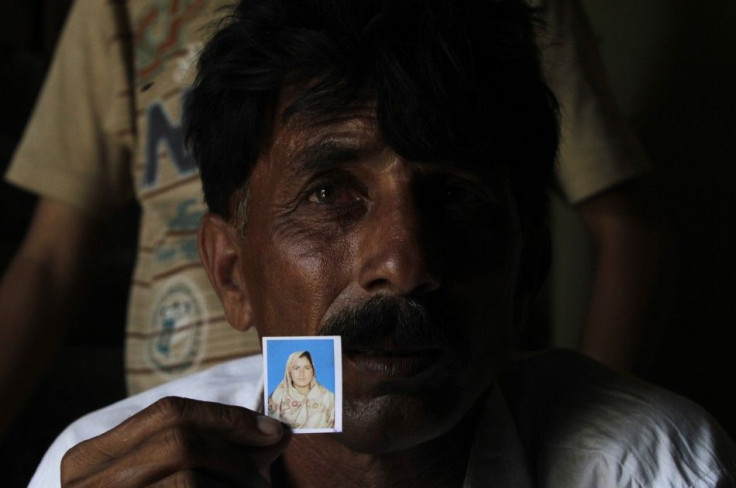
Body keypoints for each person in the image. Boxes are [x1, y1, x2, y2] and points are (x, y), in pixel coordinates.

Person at [28, 0, 735, 486]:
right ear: (232, 275)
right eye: (330, 194)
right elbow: (46, 263)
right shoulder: (98, 468)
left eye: (455, 194)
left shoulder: (653, 465)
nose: (401, 263)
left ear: (528, 274)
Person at [268, 351, 335, 429]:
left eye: (307, 368)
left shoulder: (329, 398)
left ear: (313, 370)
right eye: (296, 368)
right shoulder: (277, 397)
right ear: (289, 371)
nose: (301, 373)